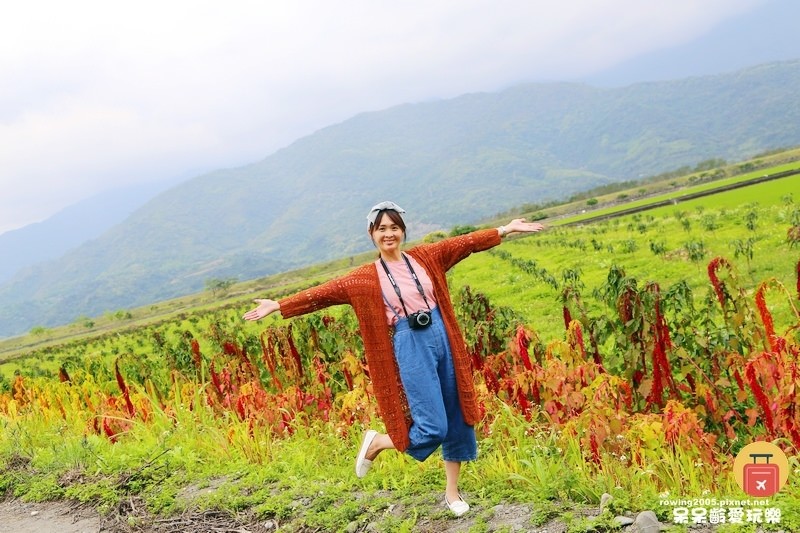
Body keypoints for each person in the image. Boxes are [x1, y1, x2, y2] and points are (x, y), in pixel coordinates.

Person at [243, 201, 544, 516]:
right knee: (433, 426)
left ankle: (452, 493)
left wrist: (505, 229)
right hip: (409, 342)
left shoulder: (426, 257)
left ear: (403, 230)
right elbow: (322, 293)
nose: (389, 234)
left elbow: (465, 243)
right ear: (371, 234)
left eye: (394, 227)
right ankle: (378, 443)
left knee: (457, 415)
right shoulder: (363, 278)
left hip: (442, 334)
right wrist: (278, 304)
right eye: (382, 229)